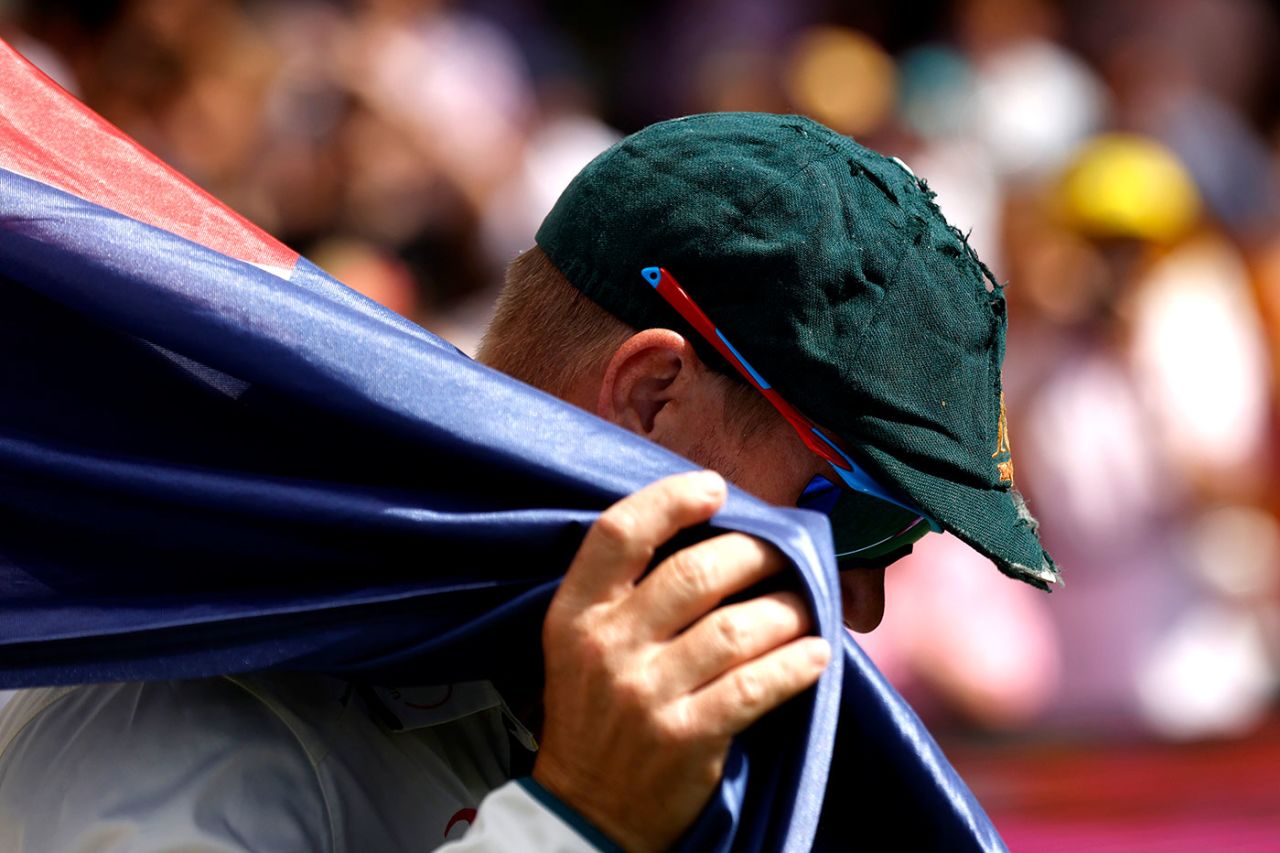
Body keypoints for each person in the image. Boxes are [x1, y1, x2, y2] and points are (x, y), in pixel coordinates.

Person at [0, 113, 1057, 851]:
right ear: (650, 397)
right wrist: (575, 823)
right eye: (851, 514)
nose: (858, 602)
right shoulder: (203, 691)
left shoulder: (578, 703)